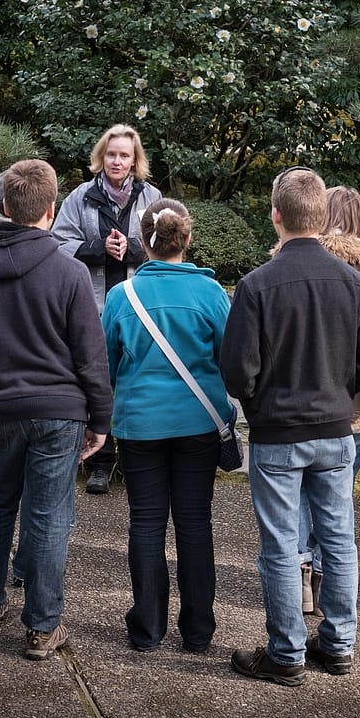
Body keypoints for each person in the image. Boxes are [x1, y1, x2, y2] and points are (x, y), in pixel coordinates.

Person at [221, 167, 360, 687]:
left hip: (278, 432)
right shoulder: (354, 283)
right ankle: (338, 645)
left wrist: (260, 404)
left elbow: (236, 371)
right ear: (323, 218)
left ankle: (286, 652)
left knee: (282, 546)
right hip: (335, 427)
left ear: (276, 215)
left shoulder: (256, 285)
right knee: (339, 538)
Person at [0, 158, 113, 661]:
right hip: (59, 410)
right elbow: (91, 353)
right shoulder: (68, 271)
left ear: (1, 206)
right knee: (48, 514)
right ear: (50, 211)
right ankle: (42, 627)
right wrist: (101, 420)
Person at [100, 198, 231, 653]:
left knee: (146, 523)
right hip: (199, 422)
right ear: (188, 239)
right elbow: (227, 360)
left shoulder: (121, 297)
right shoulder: (212, 295)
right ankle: (198, 631)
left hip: (139, 423)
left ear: (142, 241)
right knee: (196, 523)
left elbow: (108, 365)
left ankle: (148, 627)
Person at [293, 186, 360, 615]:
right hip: (356, 403)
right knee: (337, 495)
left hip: (302, 397)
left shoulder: (304, 260)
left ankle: (298, 575)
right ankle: (323, 575)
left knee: (297, 491)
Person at [52, 124, 162, 495]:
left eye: (124, 155)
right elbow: (58, 241)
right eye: (111, 154)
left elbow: (164, 242)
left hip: (137, 306)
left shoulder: (152, 196)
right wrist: (98, 248)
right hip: (93, 305)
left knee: (134, 381)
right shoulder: (79, 197)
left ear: (135, 160)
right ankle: (99, 461)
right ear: (102, 156)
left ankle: (132, 459)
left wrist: (130, 249)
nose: (117, 161)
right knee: (97, 382)